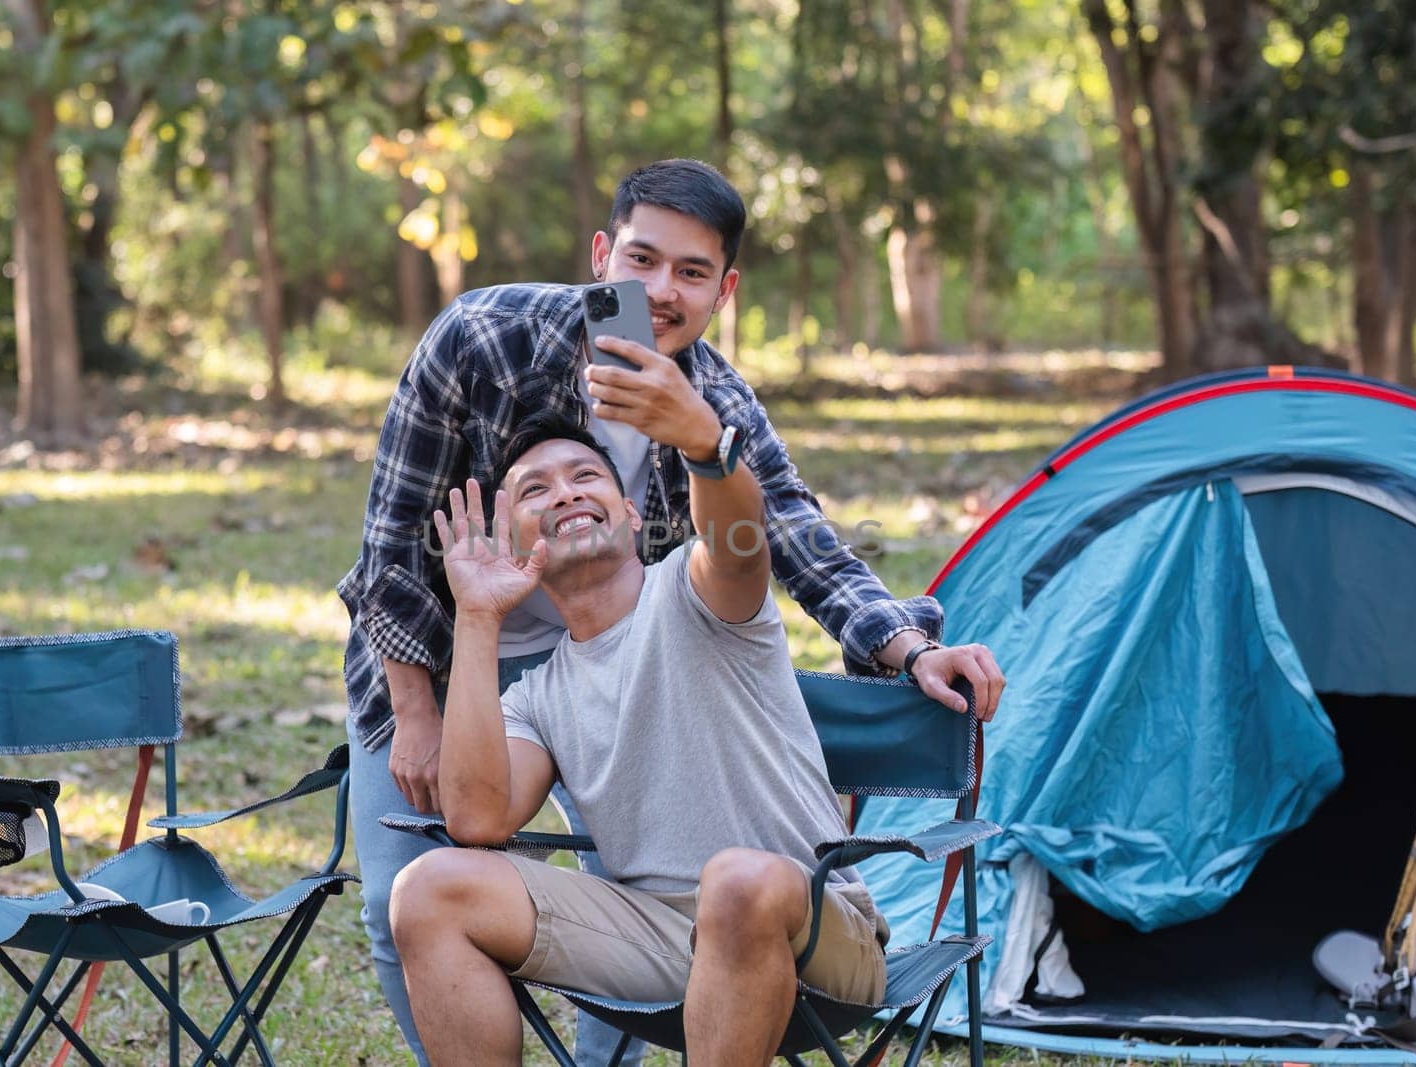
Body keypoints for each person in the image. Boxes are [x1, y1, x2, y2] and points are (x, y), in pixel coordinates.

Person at [337, 158, 1004, 1064]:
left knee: (675, 875)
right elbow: (389, 544)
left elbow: (779, 534)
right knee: (402, 895)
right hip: (449, 648)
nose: (659, 292)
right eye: (642, 261)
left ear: (723, 290)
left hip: (627, 643)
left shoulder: (714, 420)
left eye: (691, 273)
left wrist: (900, 640)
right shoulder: (483, 339)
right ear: (602, 252)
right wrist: (421, 702)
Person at [391, 415, 986, 1065]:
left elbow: (736, 539)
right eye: (536, 491)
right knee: (427, 887)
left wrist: (705, 446)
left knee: (735, 878)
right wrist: (477, 617)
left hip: (814, 925)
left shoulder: (695, 592)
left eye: (585, 476)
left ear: (629, 513)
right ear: (511, 542)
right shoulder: (535, 697)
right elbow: (478, 817)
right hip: (659, 939)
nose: (564, 493)